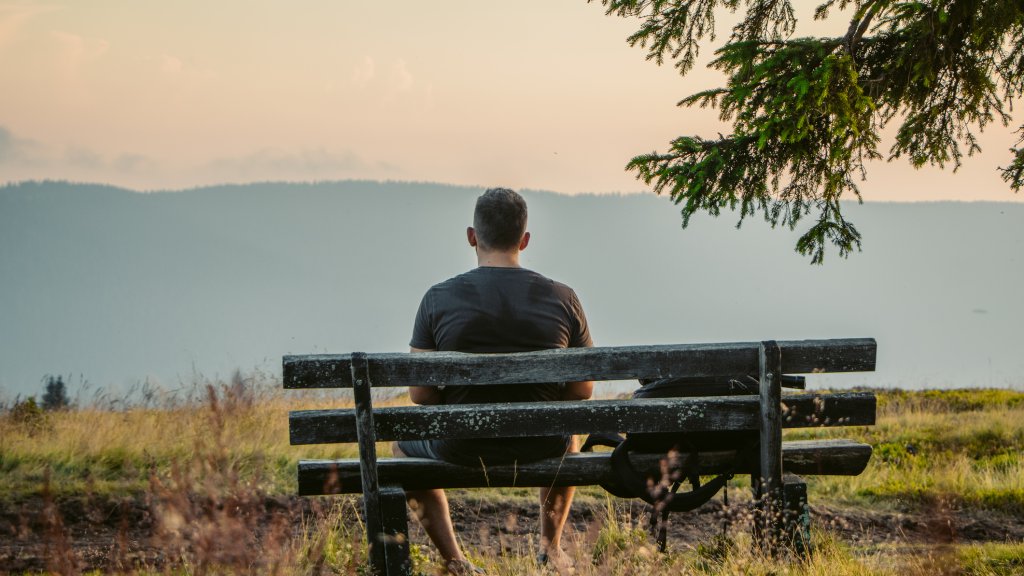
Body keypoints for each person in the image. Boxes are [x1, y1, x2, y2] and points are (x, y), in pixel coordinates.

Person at [393, 187, 594, 574]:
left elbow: (420, 394)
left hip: (462, 445)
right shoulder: (563, 298)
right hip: (542, 443)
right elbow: (582, 390)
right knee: (569, 435)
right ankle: (550, 550)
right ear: (525, 239)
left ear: (472, 236)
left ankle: (455, 561)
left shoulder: (437, 299)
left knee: (402, 450)